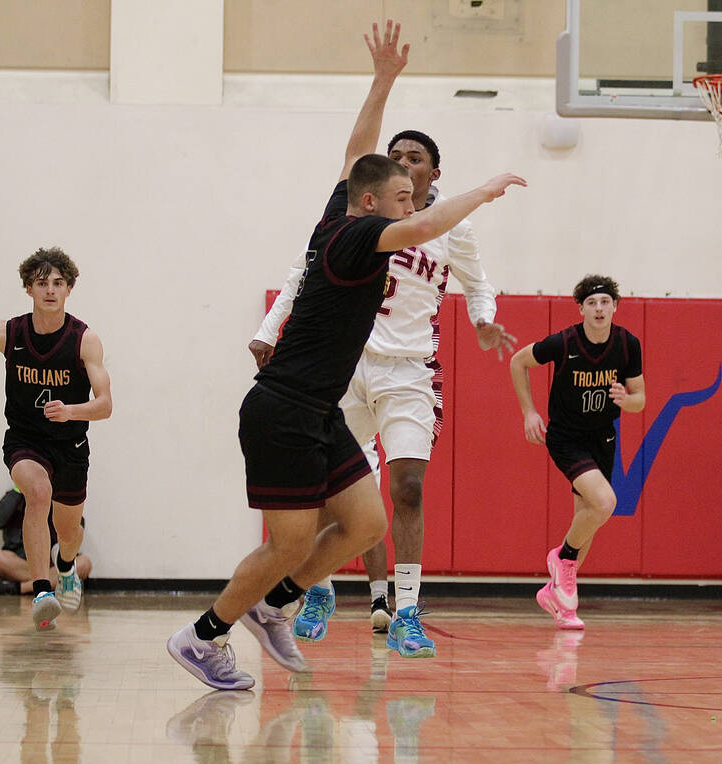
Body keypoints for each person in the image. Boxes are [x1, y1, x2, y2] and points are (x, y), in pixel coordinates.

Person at [166, 19, 525, 690]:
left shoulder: (344, 209)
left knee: (365, 522)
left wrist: (383, 82)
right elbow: (421, 224)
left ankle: (275, 608)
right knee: (290, 544)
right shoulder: (363, 238)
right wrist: (485, 190)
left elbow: (359, 151)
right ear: (372, 203)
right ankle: (202, 636)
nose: (408, 202)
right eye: (397, 196)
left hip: (321, 408)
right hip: (283, 410)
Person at [250, 126, 518, 653]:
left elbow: (479, 283)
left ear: (433, 174)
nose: (402, 163)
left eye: (414, 158)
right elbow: (303, 271)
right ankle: (320, 591)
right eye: (394, 156)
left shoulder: (450, 228)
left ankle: (407, 611)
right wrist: (267, 330)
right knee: (333, 493)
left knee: (408, 488)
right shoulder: (364, 219)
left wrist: (484, 319)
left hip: (410, 368)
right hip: (347, 365)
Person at [0, 247, 113, 630]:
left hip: (70, 444)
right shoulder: (7, 332)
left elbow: (105, 405)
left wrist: (72, 411)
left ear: (69, 289)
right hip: (25, 440)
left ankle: (65, 566)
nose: (50, 290)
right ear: (29, 289)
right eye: (41, 283)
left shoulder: (84, 341)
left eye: (58, 283)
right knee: (37, 492)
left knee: (69, 532)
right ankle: (41, 590)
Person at [509, 275, 644, 629]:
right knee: (604, 503)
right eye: (592, 303)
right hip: (566, 437)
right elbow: (518, 363)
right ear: (581, 308)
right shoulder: (564, 341)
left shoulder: (628, 344)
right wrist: (529, 412)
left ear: (615, 306)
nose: (599, 309)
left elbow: (640, 400)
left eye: (605, 302)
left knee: (587, 517)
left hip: (603, 438)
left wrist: (625, 401)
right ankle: (562, 559)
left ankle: (560, 601)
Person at [0, 487, 93, 596]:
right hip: (23, 562)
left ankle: (20, 588)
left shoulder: (60, 498)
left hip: (53, 564)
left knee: (84, 563)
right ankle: (59, 584)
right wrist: (18, 490)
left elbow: (76, 529)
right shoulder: (16, 496)